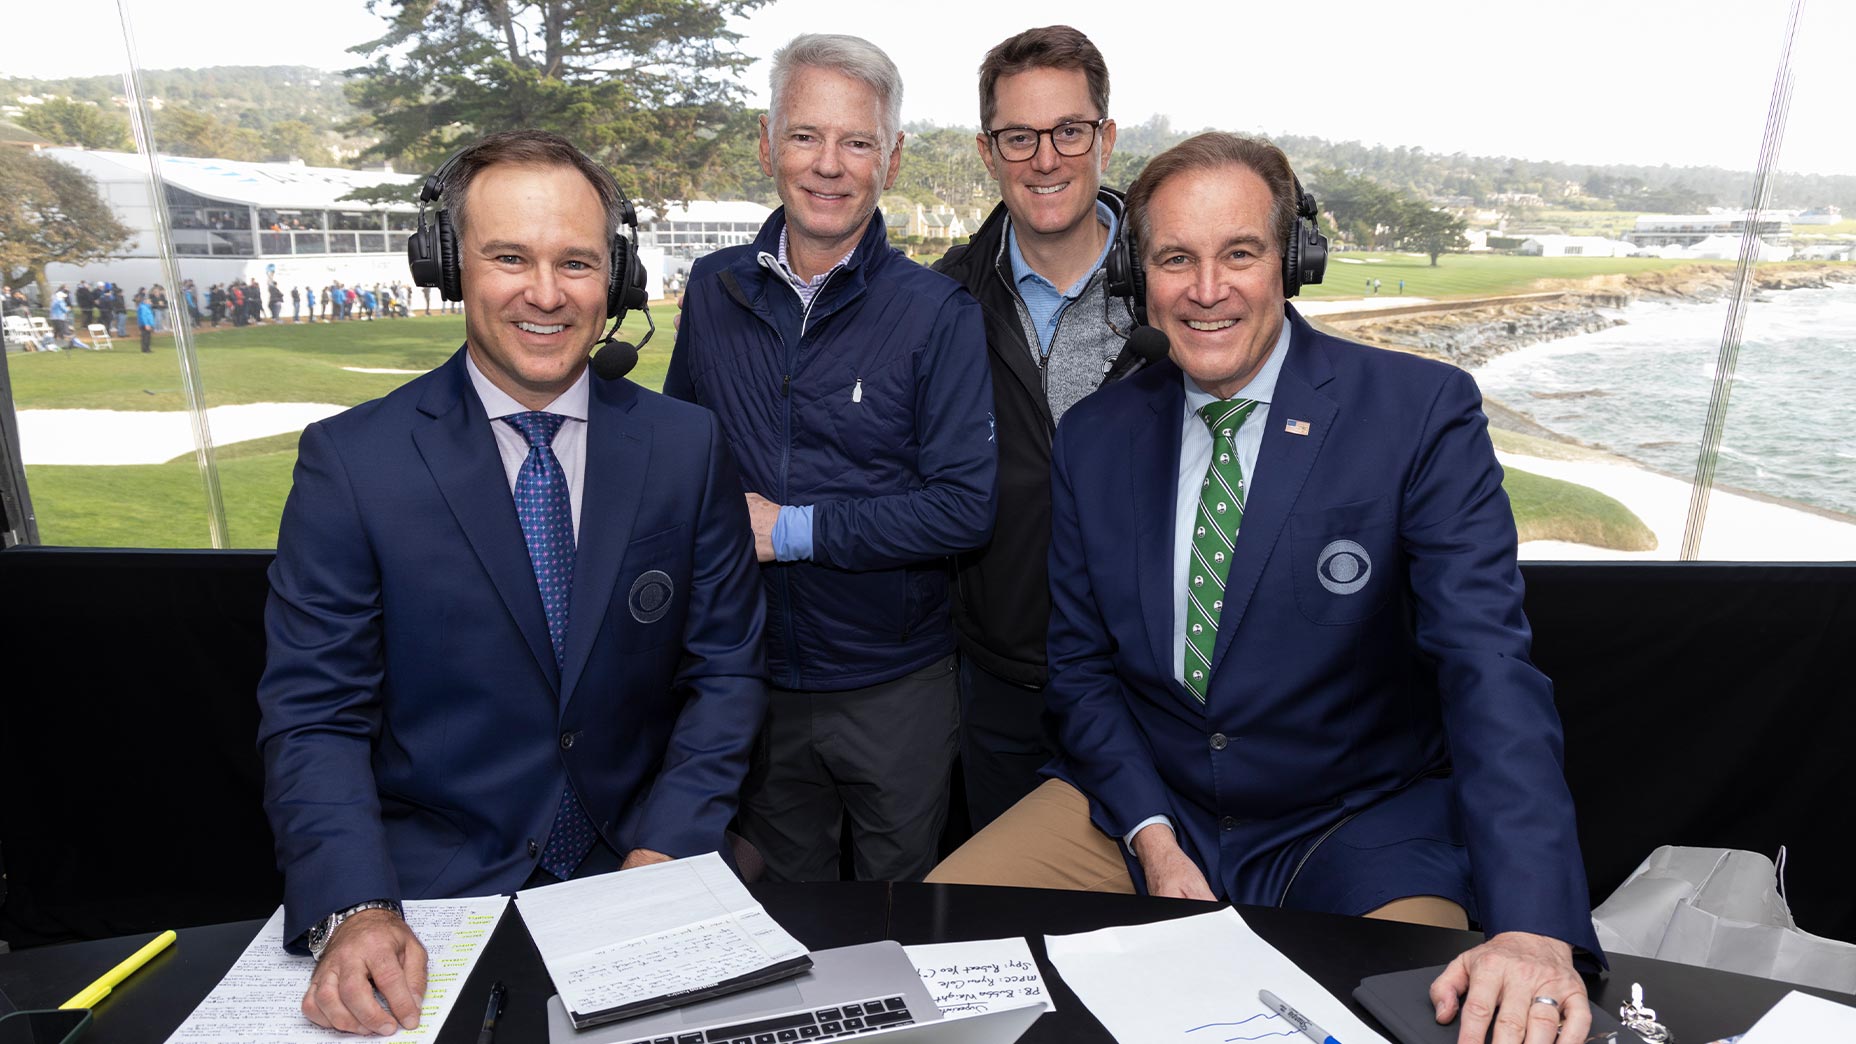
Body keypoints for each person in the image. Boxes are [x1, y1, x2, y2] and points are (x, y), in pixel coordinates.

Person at [929, 133, 1603, 1044]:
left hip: (1352, 823)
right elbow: (1080, 672)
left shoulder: (1422, 413)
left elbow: (1488, 672)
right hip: (1141, 802)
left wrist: (1532, 926)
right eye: (1176, 259)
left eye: (1239, 253)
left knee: (1421, 1022)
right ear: (1139, 274)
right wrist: (1151, 838)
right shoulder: (1094, 436)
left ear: (1293, 259)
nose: (1208, 291)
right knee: (936, 954)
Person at [258, 129, 768, 1036]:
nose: (545, 293)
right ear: (449, 265)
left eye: (575, 262)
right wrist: (357, 907)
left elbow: (725, 671)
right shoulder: (351, 463)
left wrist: (668, 849)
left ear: (615, 279)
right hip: (434, 897)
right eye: (508, 257)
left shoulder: (686, 447)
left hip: (641, 863)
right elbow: (314, 717)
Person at [664, 33, 996, 885]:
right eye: (807, 135)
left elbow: (965, 505)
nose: (829, 165)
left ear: (890, 160)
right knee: (786, 916)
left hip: (896, 688)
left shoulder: (939, 314)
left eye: (857, 142)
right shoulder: (712, 289)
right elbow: (680, 462)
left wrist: (792, 531)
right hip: (751, 679)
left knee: (899, 914)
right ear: (768, 143)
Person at [933, 25, 1145, 832]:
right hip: (999, 697)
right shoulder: (941, 303)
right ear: (989, 152)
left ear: (1106, 137)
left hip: (1157, 694)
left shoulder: (1181, 295)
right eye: (1020, 136)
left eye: (1070, 131)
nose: (1046, 159)